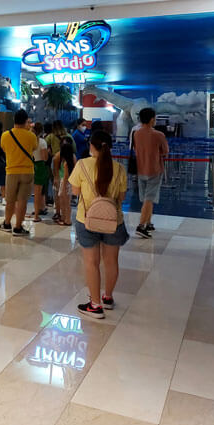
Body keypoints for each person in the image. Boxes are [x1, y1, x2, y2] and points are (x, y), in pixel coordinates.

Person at [68, 130, 129, 319]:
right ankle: (108, 298)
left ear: (91, 146)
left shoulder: (82, 164)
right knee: (111, 261)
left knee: (91, 262)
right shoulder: (119, 168)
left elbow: (75, 191)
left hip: (87, 219)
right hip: (113, 220)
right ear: (110, 147)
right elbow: (121, 197)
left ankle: (95, 305)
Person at [0, 109, 37, 236]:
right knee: (22, 201)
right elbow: (34, 148)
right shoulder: (31, 136)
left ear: (14, 120)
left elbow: (3, 149)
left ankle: (7, 223)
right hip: (27, 171)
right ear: (26, 121)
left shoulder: (5, 135)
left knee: (10, 200)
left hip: (11, 171)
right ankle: (18, 227)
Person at [133, 107, 168, 238]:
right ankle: (141, 226)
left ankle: (148, 222)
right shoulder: (159, 135)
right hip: (154, 170)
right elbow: (165, 151)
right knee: (149, 198)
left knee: (146, 198)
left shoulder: (136, 133)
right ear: (152, 119)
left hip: (140, 169)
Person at [53, 138, 77, 226]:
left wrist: (62, 188)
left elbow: (66, 176)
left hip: (65, 182)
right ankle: (65, 218)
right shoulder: (73, 158)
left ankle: (67, 219)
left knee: (65, 202)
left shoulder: (65, 163)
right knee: (67, 202)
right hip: (70, 182)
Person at [30, 122, 50, 222]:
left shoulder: (29, 140)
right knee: (38, 193)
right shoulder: (42, 142)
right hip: (40, 167)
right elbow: (45, 158)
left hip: (29, 166)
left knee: (27, 192)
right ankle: (36, 215)